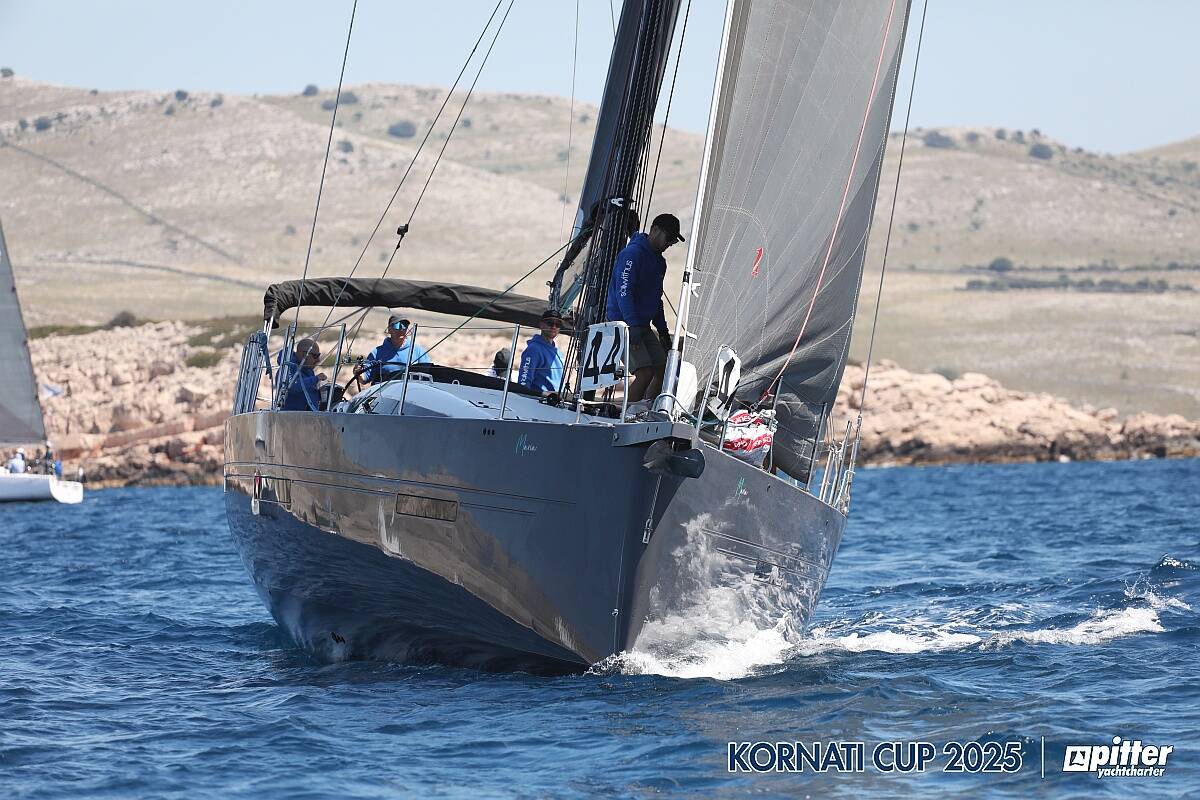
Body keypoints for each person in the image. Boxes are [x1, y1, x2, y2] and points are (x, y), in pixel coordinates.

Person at [605, 212, 684, 402]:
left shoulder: (659, 263)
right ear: (655, 230)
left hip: (641, 325)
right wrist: (632, 326)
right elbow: (624, 293)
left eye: (674, 241)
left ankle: (643, 411)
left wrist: (663, 331)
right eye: (669, 238)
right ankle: (625, 417)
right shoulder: (632, 254)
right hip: (623, 324)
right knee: (645, 373)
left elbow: (656, 299)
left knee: (664, 371)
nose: (670, 243)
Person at [356, 315, 431, 385]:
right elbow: (364, 379)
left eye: (405, 325)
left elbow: (427, 376)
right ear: (389, 329)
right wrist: (358, 371)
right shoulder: (376, 353)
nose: (402, 328)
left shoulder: (418, 351)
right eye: (398, 325)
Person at [517, 309, 565, 394]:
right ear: (541, 325)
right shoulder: (533, 350)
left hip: (556, 402)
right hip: (539, 402)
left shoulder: (559, 353)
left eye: (557, 324)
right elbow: (523, 383)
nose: (554, 327)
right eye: (550, 323)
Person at [280, 338, 325, 411]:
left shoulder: (308, 371)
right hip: (291, 418)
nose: (318, 360)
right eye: (315, 356)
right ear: (304, 354)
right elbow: (293, 386)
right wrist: (316, 379)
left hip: (309, 418)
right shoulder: (286, 369)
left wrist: (321, 393)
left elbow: (307, 394)